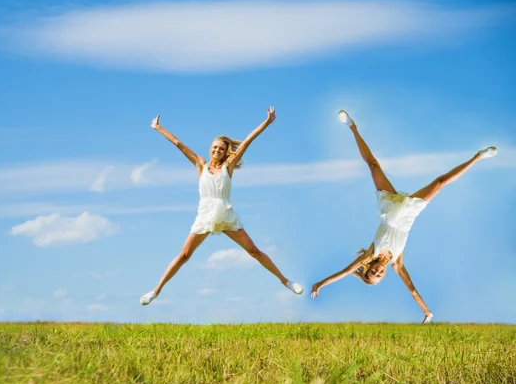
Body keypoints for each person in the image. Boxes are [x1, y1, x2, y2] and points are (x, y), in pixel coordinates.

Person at [310, 110, 498, 323]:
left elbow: (345, 272)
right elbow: (412, 290)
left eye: (373, 273)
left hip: (389, 205)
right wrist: (427, 312)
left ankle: (352, 126)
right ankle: (479, 156)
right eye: (380, 276)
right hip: (409, 212)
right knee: (440, 182)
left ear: (369, 267)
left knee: (373, 165)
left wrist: (320, 284)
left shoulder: (371, 254)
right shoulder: (397, 263)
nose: (379, 272)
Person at [140, 107, 303, 306]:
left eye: (221, 148)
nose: (217, 150)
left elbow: (248, 141)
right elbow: (178, 144)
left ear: (226, 151)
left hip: (226, 215)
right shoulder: (200, 164)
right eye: (214, 147)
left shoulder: (229, 166)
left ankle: (286, 281)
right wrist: (158, 127)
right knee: (183, 256)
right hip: (205, 215)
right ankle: (155, 291)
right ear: (210, 148)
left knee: (254, 251)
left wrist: (267, 123)